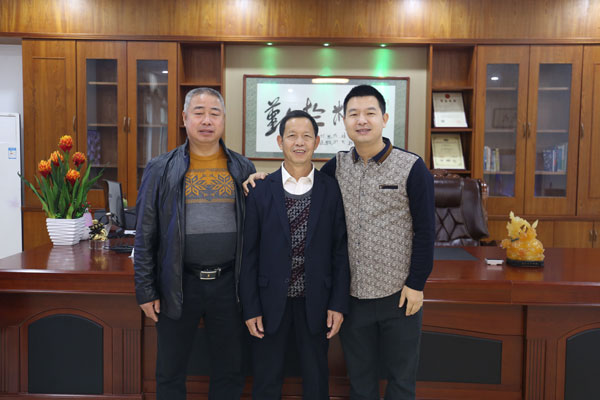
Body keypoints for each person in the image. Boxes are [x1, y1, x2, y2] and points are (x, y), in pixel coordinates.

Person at [244, 85, 435, 399]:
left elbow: (426, 231)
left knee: (401, 381)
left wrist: (416, 283)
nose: (362, 120)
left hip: (398, 294)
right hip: (354, 296)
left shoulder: (411, 167)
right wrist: (262, 178)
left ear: (385, 118)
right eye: (354, 114)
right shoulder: (338, 167)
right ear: (344, 121)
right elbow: (299, 177)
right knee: (360, 382)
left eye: (370, 113)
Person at [134, 87, 256, 400]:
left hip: (229, 285)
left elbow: (255, 233)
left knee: (230, 371)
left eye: (214, 113)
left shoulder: (243, 167)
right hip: (178, 283)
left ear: (224, 119)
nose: (207, 120)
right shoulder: (160, 168)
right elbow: (145, 232)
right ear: (184, 118)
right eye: (199, 113)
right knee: (170, 371)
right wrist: (146, 290)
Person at [240, 110, 350, 400]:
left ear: (316, 142)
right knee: (266, 381)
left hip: (316, 302)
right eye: (292, 136)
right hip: (268, 303)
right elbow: (248, 255)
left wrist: (338, 304)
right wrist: (250, 307)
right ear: (280, 141)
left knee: (316, 381)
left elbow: (340, 252)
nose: (299, 142)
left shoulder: (331, 189)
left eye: (306, 136)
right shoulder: (260, 190)